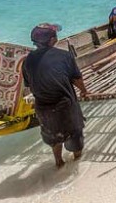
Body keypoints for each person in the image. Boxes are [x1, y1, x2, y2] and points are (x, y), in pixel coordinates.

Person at [22, 24, 89, 169]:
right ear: (52, 39)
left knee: (54, 137)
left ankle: (59, 163)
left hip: (43, 107)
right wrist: (84, 90)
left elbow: (29, 84)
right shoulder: (64, 56)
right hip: (65, 105)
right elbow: (76, 79)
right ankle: (76, 163)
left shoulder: (27, 60)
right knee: (75, 137)